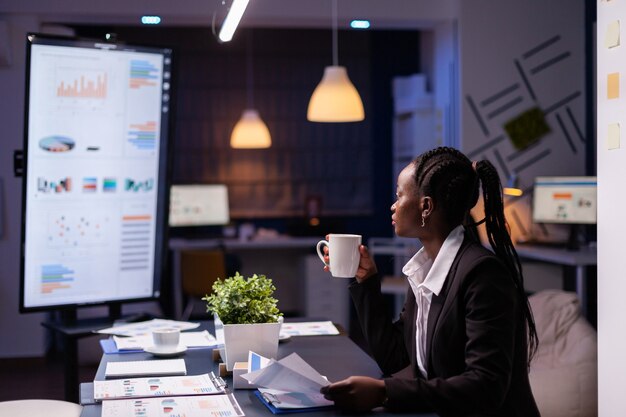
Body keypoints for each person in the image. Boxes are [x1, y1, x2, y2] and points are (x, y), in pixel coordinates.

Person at [320, 147, 540, 417]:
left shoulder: (483, 274)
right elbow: (396, 356)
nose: (393, 205)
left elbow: (486, 386)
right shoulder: (426, 268)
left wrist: (384, 392)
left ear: (426, 206)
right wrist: (366, 281)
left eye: (399, 195)